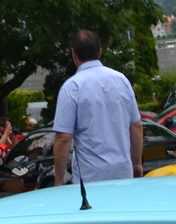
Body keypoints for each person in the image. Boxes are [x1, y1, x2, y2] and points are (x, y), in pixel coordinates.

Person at [53, 29, 143, 188]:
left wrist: (58, 179)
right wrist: (137, 164)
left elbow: (64, 138)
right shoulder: (121, 80)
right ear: (100, 52)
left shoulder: (72, 87)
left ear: (73, 53)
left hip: (91, 179)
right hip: (123, 174)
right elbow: (136, 126)